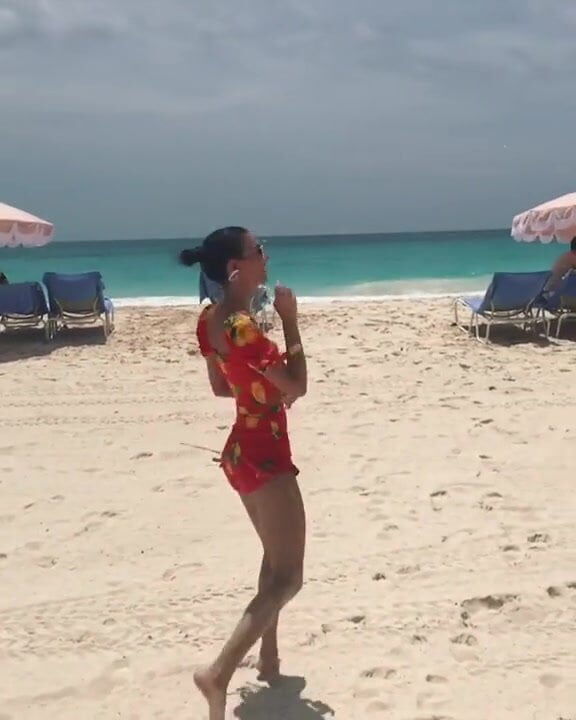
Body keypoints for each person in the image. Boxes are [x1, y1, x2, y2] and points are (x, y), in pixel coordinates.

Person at [179, 226, 307, 720]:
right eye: (258, 250)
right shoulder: (241, 327)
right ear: (236, 268)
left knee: (274, 558)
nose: (265, 256)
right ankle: (217, 673)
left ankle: (268, 656)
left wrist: (260, 389)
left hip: (241, 449)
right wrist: (290, 322)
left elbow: (221, 386)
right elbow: (297, 384)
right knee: (289, 578)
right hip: (264, 453)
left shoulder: (210, 320)